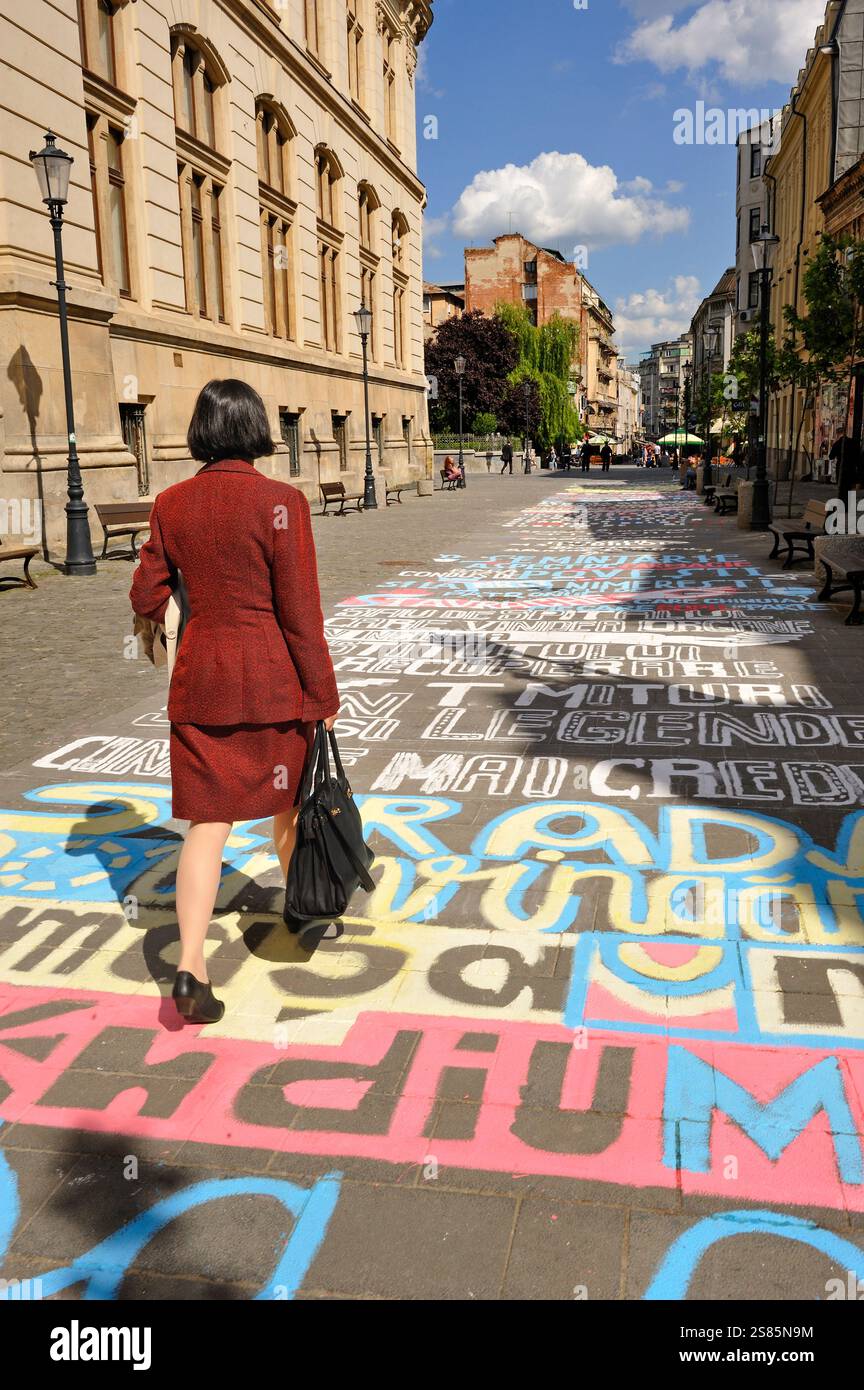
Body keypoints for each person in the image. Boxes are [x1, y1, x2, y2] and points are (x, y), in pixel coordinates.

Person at [130, 379, 340, 1024]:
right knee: (287, 803)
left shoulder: (172, 502)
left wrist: (157, 620)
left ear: (201, 431)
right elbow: (299, 610)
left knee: (206, 826)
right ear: (255, 429)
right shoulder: (281, 502)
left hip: (202, 682)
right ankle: (302, 906)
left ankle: (190, 965)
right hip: (272, 681)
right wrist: (322, 691)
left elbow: (145, 590)